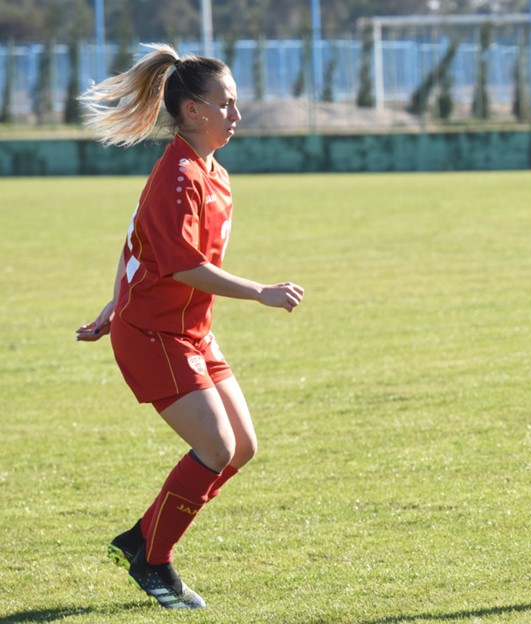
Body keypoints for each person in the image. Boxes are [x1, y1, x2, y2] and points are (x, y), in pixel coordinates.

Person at [76, 44, 305, 609]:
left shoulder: (212, 173)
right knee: (215, 444)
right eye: (225, 103)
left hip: (189, 329)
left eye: (235, 102)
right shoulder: (179, 174)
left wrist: (114, 298)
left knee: (241, 447)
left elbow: (137, 239)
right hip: (154, 334)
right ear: (193, 112)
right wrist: (262, 293)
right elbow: (181, 264)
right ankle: (154, 562)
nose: (236, 114)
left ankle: (139, 539)